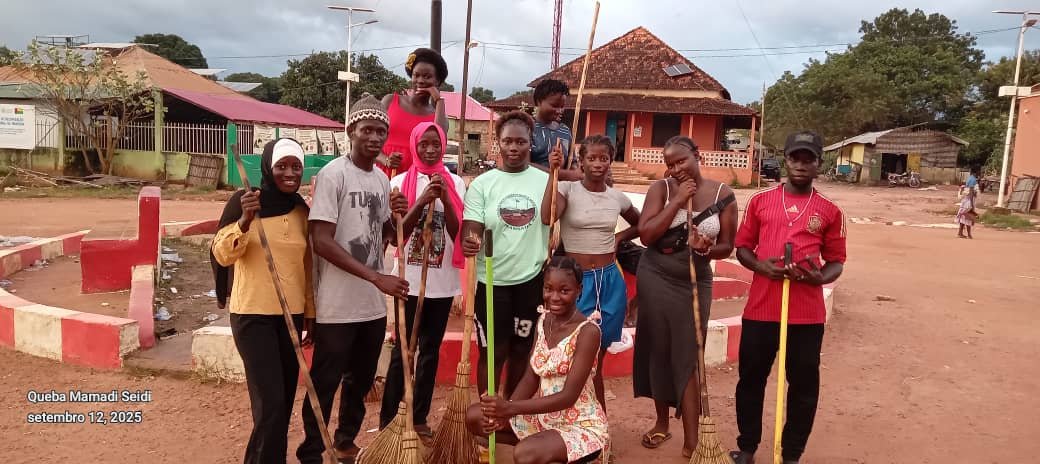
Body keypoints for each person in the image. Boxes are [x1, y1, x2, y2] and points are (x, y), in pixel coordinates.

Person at [297, 95, 410, 464]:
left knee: (360, 380)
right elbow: (322, 241)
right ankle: (312, 449)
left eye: (381, 131)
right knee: (325, 382)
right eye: (367, 130)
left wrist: (398, 218)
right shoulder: (333, 175)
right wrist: (376, 278)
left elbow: (388, 237)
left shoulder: (381, 178)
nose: (374, 137)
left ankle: (345, 441)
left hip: (371, 306)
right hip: (337, 304)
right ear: (351, 132)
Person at [729, 131, 847, 464]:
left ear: (818, 164)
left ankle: (791, 453)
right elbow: (742, 247)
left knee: (804, 386)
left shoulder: (829, 211)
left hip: (806, 314)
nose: (800, 164)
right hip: (762, 308)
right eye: (795, 157)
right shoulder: (760, 202)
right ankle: (748, 447)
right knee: (751, 379)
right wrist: (761, 267)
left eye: (808, 158)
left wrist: (819, 277)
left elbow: (837, 260)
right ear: (786, 160)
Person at [633, 136, 738, 458]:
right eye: (670, 164)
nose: (676, 169)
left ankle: (693, 440)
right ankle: (662, 422)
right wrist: (678, 200)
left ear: (697, 155)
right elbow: (647, 235)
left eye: (681, 161)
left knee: (689, 357)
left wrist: (706, 248)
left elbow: (727, 246)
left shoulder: (724, 195)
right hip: (656, 276)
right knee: (658, 350)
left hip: (694, 282)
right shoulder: (661, 190)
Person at [211, 138, 313, 464]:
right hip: (253, 316)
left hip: (291, 316)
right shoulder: (246, 201)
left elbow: (307, 267)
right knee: (269, 405)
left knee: (282, 404)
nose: (289, 172)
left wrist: (310, 313)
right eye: (282, 166)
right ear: (269, 167)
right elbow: (221, 254)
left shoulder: (301, 211)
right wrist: (244, 221)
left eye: (295, 166)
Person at [466, 256, 609, 464]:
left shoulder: (588, 332)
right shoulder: (543, 321)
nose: (554, 297)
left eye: (564, 290)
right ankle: (545, 446)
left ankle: (563, 452)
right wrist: (505, 411)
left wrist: (511, 409)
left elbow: (568, 396)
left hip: (580, 425)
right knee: (475, 416)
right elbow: (531, 376)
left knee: (525, 454)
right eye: (548, 289)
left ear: (579, 290)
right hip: (543, 418)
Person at [379, 122, 466, 438]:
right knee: (404, 349)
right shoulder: (400, 182)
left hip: (441, 285)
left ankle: (418, 417)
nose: (430, 150)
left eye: (435, 144)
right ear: (415, 145)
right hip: (407, 282)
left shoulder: (455, 182)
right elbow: (397, 236)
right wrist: (423, 199)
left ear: (443, 145)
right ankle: (390, 419)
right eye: (424, 144)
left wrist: (444, 197)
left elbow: (458, 233)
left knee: (430, 350)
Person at [540, 134, 640, 410]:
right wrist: (553, 173)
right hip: (577, 281)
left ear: (611, 161)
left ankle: (597, 418)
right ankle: (567, 412)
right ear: (581, 161)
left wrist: (620, 238)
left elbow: (642, 223)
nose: (598, 164)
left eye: (604, 158)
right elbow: (547, 217)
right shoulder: (567, 189)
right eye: (591, 158)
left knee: (600, 352)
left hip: (610, 280)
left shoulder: (616, 197)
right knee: (573, 350)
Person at [461, 110, 550, 398]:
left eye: (521, 142)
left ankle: (512, 414)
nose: (514, 147)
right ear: (497, 142)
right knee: (492, 352)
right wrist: (470, 241)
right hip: (492, 281)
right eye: (507, 141)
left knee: (522, 349)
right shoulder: (482, 185)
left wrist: (561, 172)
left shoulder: (546, 180)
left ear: (530, 142)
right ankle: (488, 416)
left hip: (531, 281)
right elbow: (471, 228)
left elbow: (554, 214)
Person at [378, 48, 450, 178]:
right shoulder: (390, 101)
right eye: (416, 75)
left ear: (437, 81)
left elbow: (440, 144)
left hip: (417, 181)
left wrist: (439, 101)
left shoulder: (438, 116)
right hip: (384, 175)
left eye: (427, 76)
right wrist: (386, 160)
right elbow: (369, 140)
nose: (420, 80)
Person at [529, 79, 583, 181]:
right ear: (538, 102)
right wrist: (563, 174)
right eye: (554, 106)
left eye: (562, 106)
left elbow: (572, 163)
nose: (559, 111)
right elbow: (523, 166)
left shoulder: (565, 131)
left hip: (560, 191)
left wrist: (578, 172)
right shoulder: (526, 128)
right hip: (533, 190)